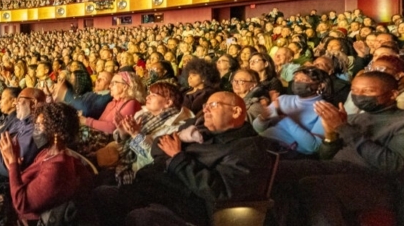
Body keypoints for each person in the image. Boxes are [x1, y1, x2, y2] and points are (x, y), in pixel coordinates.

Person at [94, 92, 274, 226]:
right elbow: (157, 149)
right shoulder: (197, 129)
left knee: (139, 218)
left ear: (235, 111)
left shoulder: (247, 148)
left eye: (213, 105)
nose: (205, 110)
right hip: (154, 187)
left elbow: (220, 192)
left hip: (186, 208)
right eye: (205, 106)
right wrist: (180, 137)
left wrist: (178, 158)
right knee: (99, 194)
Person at [287, 71, 404, 224]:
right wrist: (330, 134)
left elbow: (396, 166)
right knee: (278, 171)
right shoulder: (356, 118)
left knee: (314, 186)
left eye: (368, 91)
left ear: (392, 94)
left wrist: (343, 128)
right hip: (340, 168)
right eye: (354, 90)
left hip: (379, 182)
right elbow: (326, 157)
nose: (359, 95)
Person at [0, 102, 92, 225]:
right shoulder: (47, 153)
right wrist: (12, 162)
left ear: (56, 130)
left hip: (21, 219)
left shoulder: (57, 167)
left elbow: (22, 205)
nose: (36, 129)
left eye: (40, 125)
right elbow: (23, 178)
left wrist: (13, 162)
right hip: (12, 203)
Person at [113, 81, 194, 185]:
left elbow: (152, 159)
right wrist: (123, 131)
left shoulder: (175, 127)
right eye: (149, 94)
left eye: (153, 95)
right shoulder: (144, 115)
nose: (147, 97)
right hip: (126, 163)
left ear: (168, 103)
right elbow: (123, 141)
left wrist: (136, 135)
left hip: (140, 174)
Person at [253, 66, 329, 155]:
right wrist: (263, 118)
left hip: (287, 153)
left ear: (320, 85)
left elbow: (314, 147)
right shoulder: (282, 99)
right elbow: (258, 128)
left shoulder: (324, 109)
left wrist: (284, 119)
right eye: (296, 78)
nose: (297, 82)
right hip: (261, 142)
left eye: (303, 80)